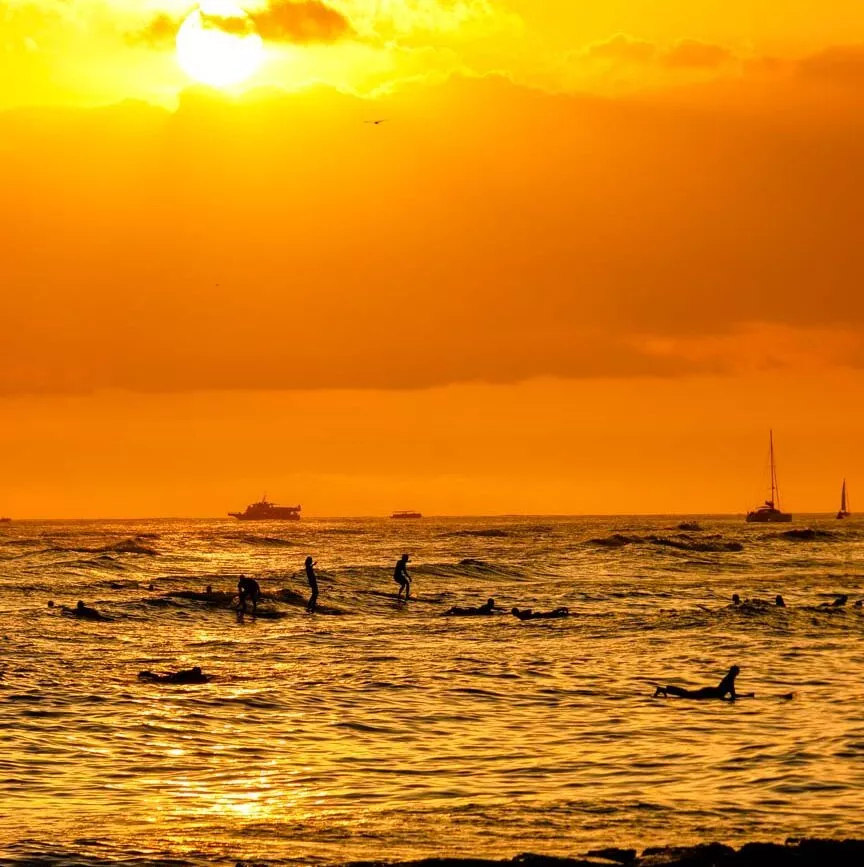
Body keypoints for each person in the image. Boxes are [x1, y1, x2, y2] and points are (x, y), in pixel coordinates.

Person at [654, 664, 746, 700]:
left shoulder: (728, 678)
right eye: (737, 672)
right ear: (735, 672)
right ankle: (664, 689)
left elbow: (732, 695)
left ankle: (665, 690)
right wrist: (747, 696)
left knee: (687, 694)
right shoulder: (729, 680)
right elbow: (734, 696)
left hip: (709, 691)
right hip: (709, 693)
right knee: (687, 695)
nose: (738, 673)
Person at [138, 666, 210, 684]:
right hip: (176, 678)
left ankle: (147, 674)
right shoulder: (189, 674)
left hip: (176, 677)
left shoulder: (201, 678)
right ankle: (147, 674)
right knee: (159, 678)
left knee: (159, 678)